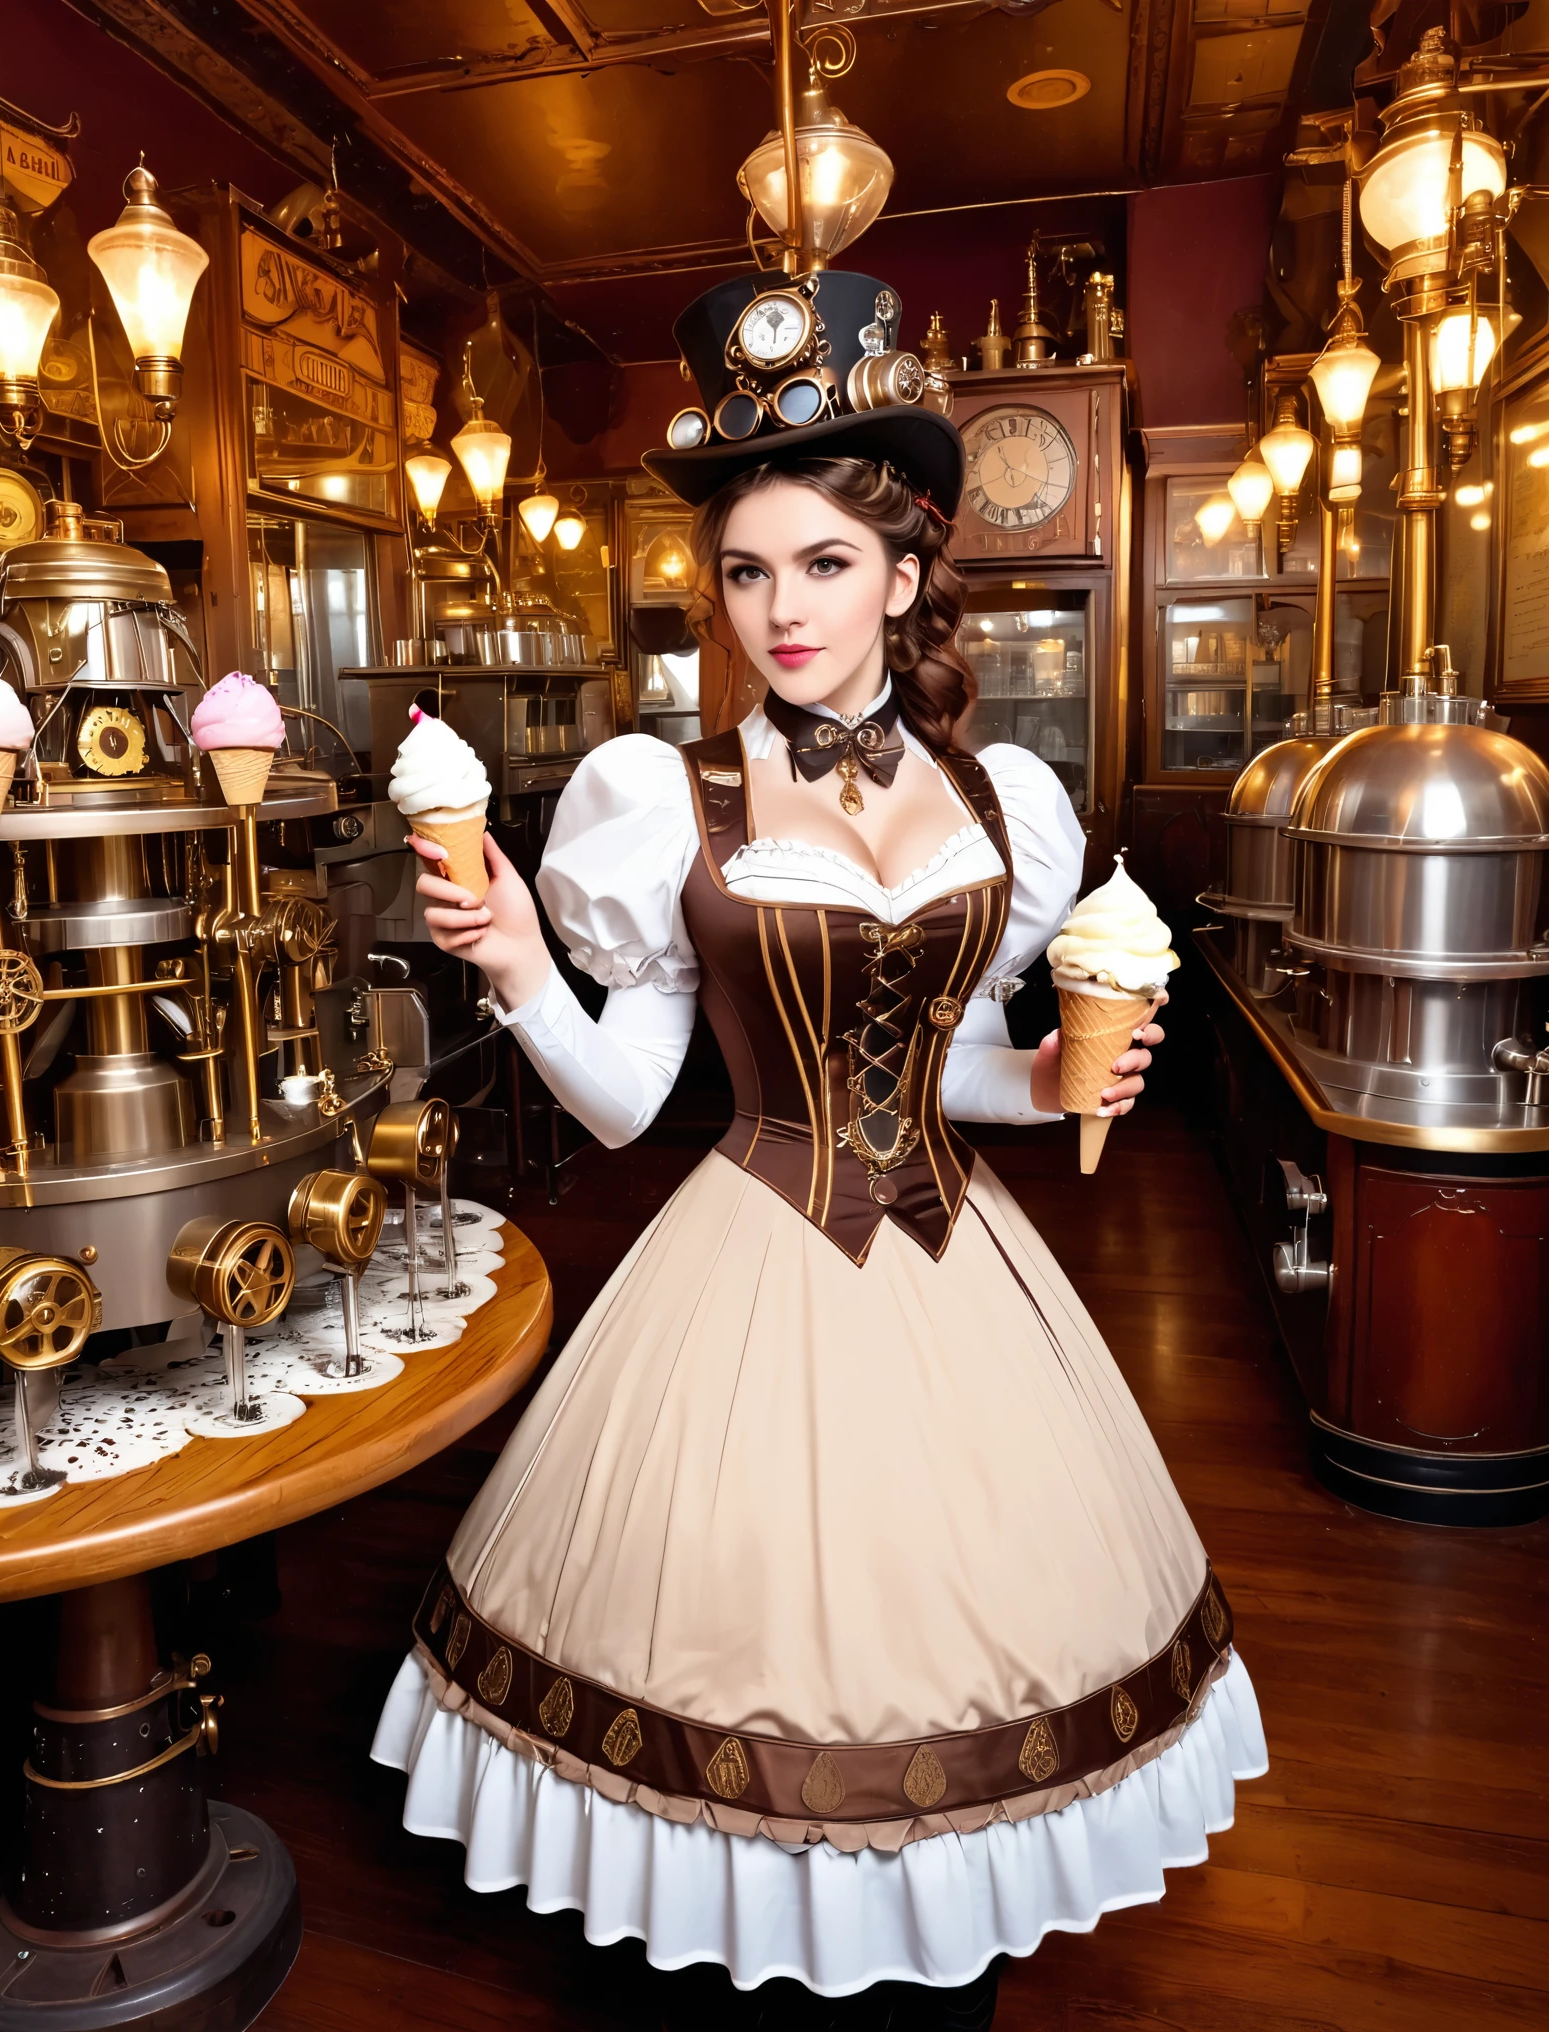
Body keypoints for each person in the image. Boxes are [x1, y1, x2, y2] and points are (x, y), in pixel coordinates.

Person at [372, 271, 1266, 2031]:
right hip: (752, 1247)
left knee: (964, 1682)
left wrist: (1072, 1084)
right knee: (734, 1688)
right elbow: (630, 1104)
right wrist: (521, 968)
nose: (782, 609)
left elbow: (972, 1085)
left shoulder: (1007, 798)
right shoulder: (659, 796)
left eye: (827, 565)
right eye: (748, 570)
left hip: (958, 1264)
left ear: (910, 574)